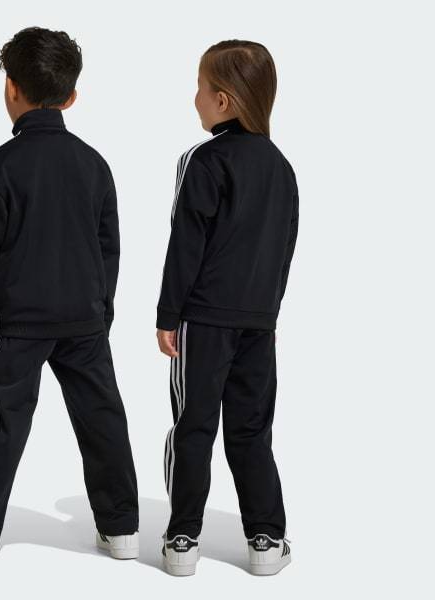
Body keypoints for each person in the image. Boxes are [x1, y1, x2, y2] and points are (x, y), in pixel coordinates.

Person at [0, 26, 139, 573]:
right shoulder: (95, 164)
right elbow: (109, 247)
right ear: (72, 96)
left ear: (11, 88)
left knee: (5, 429)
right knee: (104, 420)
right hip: (85, 321)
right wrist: (102, 311)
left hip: (23, 325)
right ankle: (122, 529)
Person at [156, 40, 298, 577]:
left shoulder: (203, 160)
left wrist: (167, 315)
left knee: (193, 426)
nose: (193, 98)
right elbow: (284, 249)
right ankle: (266, 539)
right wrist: (269, 314)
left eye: (199, 88)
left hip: (205, 321)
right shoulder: (283, 168)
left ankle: (182, 540)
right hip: (259, 323)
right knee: (251, 430)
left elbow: (185, 244)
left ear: (223, 100)